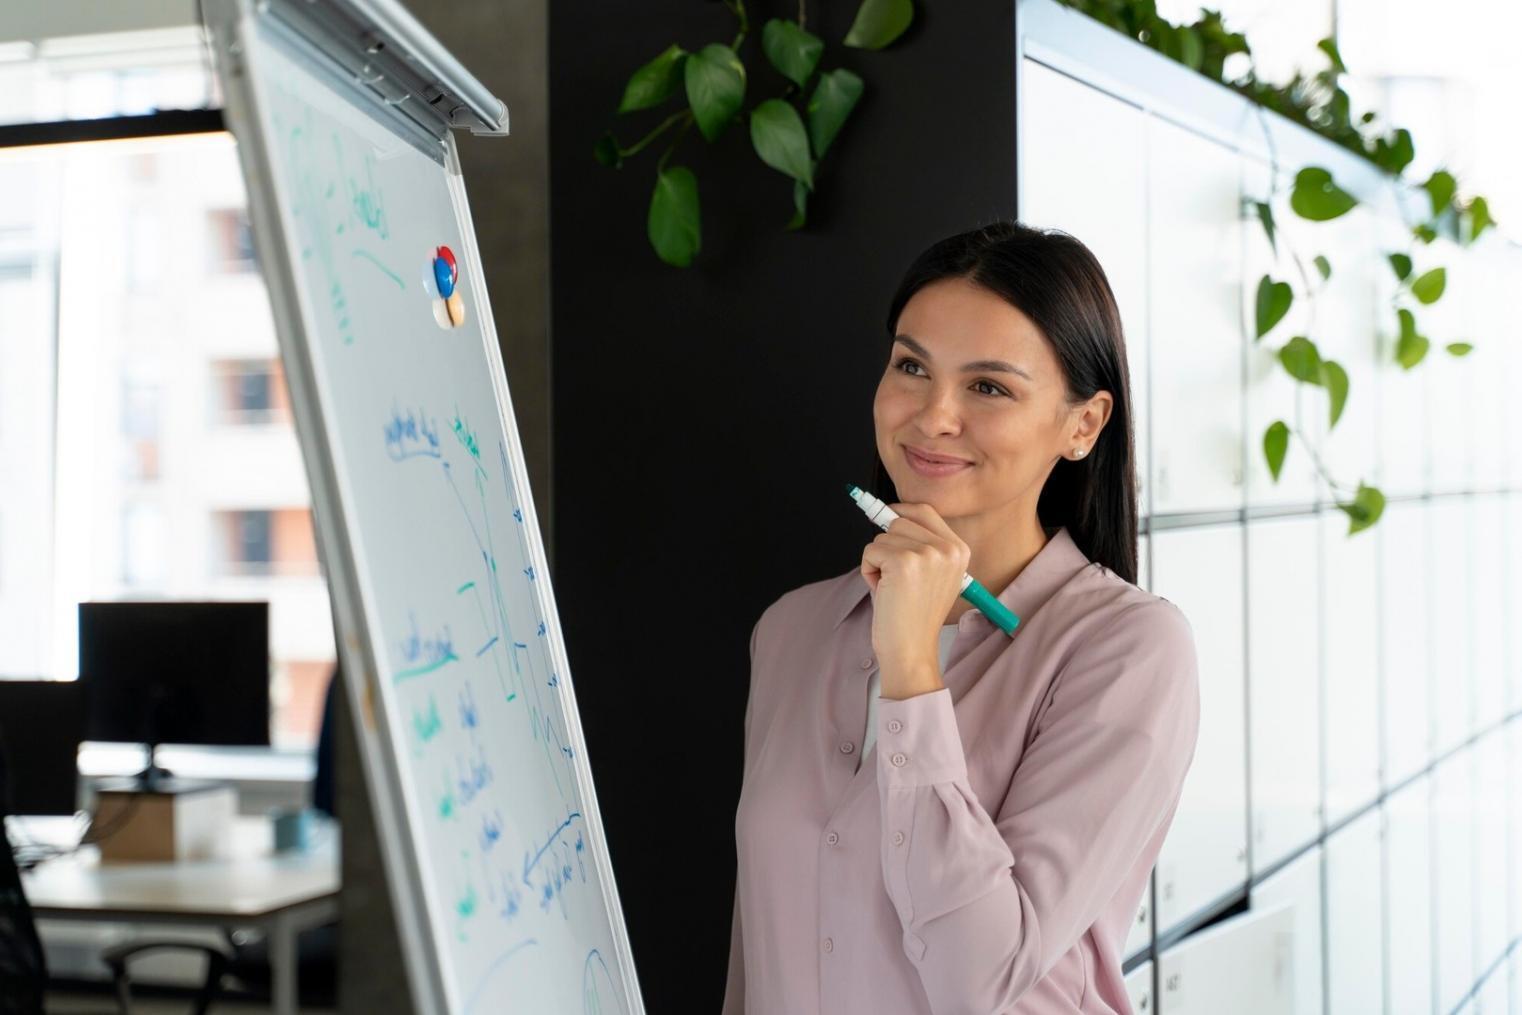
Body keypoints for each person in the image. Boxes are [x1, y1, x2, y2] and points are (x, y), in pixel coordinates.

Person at [722, 220, 1201, 1014]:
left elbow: (981, 975)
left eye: (988, 387)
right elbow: (757, 961)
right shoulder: (791, 631)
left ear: (1083, 425)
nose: (933, 415)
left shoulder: (1130, 650)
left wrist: (913, 667)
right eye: (912, 366)